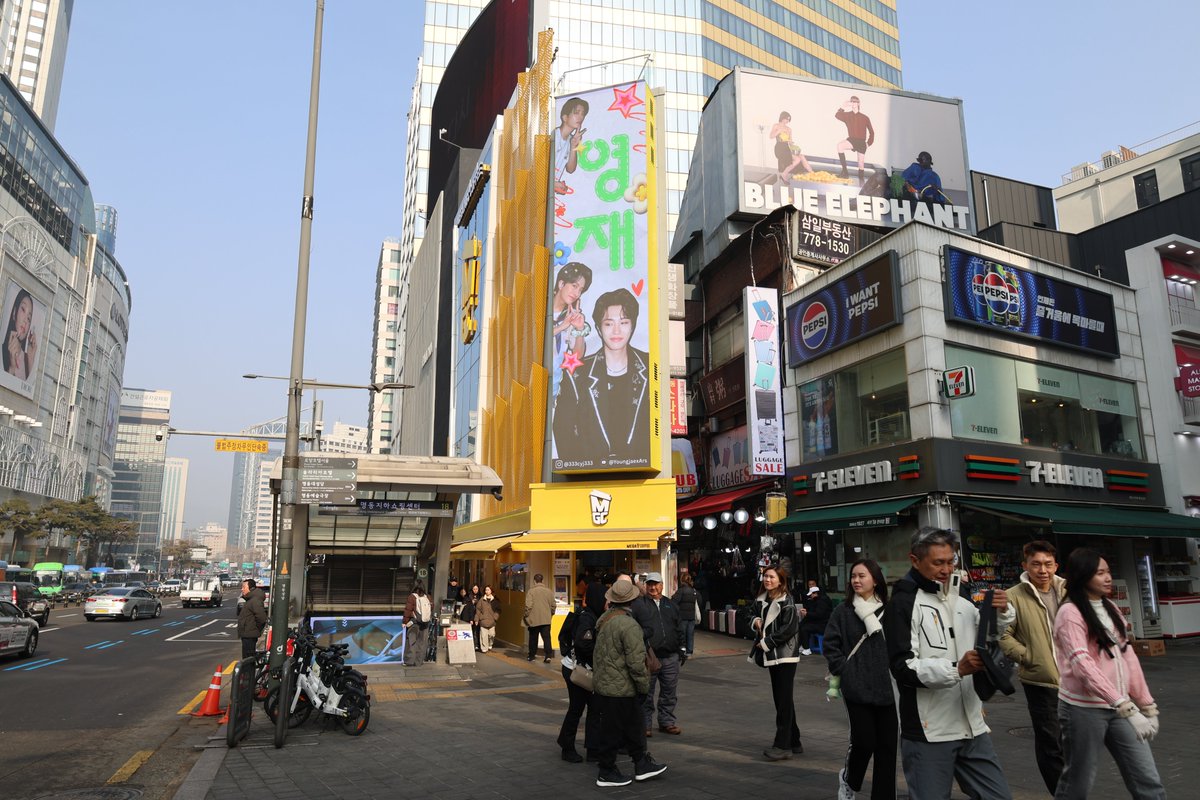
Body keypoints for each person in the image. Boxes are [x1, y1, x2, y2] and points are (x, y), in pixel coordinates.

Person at [885, 527, 1015, 800]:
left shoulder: (962, 597)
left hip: (973, 725)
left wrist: (1001, 612)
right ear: (915, 560)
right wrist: (956, 669)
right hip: (929, 731)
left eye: (950, 561)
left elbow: (988, 638)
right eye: (938, 563)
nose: (946, 569)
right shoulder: (903, 603)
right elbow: (902, 667)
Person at [1053, 548, 1164, 799]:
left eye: (1108, 572)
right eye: (1099, 573)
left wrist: (1147, 705)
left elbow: (1128, 657)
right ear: (1083, 576)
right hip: (1082, 709)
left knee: (1147, 779)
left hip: (1121, 708)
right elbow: (1083, 665)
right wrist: (1123, 704)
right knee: (1078, 783)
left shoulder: (1110, 607)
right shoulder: (1070, 613)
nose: (1107, 578)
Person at [999, 540, 1068, 794]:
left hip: (1074, 678)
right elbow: (1003, 635)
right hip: (1040, 680)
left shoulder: (1068, 591)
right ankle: (1062, 794)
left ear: (1056, 565)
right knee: (1051, 742)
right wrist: (1028, 657)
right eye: (1036, 564)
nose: (1042, 570)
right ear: (1025, 565)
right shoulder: (1013, 596)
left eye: (1048, 564)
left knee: (1074, 741)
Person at [553, 289, 651, 467]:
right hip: (588, 475)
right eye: (608, 324)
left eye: (624, 322)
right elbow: (562, 429)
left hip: (642, 472)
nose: (616, 330)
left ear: (633, 326)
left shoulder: (650, 366)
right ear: (599, 328)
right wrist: (580, 467)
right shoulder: (578, 374)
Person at [824, 559, 896, 800]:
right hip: (856, 687)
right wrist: (845, 671)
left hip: (888, 687)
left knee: (887, 748)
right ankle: (849, 780)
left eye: (861, 576)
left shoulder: (890, 610)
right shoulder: (843, 611)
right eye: (853, 576)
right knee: (864, 742)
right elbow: (831, 645)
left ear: (875, 580)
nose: (856, 580)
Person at [592, 576, 667, 787]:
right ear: (632, 601)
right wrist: (644, 686)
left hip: (606, 683)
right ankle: (606, 771)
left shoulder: (605, 619)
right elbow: (636, 662)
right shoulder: (629, 625)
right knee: (615, 731)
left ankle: (641, 763)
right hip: (621, 687)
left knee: (633, 726)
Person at [749, 564, 802, 762]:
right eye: (765, 576)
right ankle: (794, 741)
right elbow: (748, 613)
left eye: (772, 577)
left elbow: (789, 629)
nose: (767, 580)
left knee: (783, 699)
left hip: (785, 655)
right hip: (771, 654)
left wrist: (766, 643)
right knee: (782, 698)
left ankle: (783, 745)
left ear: (781, 581)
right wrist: (755, 620)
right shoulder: (762, 599)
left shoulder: (787, 601)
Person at [558, 581, 608, 763]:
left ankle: (593, 749)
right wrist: (602, 654)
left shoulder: (596, 616)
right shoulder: (588, 618)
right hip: (576, 670)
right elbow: (583, 644)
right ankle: (567, 747)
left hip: (586, 669)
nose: (607, 603)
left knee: (595, 709)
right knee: (577, 708)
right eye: (605, 599)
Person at [632, 572, 687, 737]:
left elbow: (679, 627)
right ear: (645, 585)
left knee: (669, 692)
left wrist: (682, 648)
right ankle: (645, 725)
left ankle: (667, 722)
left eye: (656, 584)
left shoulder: (671, 605)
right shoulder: (639, 605)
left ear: (662, 585)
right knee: (646, 693)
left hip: (670, 656)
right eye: (649, 584)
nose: (653, 587)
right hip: (649, 656)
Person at [550, 262, 593, 400]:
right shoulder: (541, 307)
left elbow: (577, 355)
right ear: (561, 284)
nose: (577, 293)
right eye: (574, 286)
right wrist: (562, 326)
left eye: (580, 289)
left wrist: (579, 329)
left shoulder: (571, 316)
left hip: (554, 391)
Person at [835, 95, 874, 181]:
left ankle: (861, 182)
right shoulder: (848, 115)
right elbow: (837, 115)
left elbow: (872, 132)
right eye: (852, 101)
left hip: (861, 142)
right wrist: (843, 106)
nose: (853, 103)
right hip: (852, 140)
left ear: (858, 103)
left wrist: (868, 143)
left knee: (861, 164)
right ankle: (845, 172)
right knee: (840, 146)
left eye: (855, 101)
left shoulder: (865, 117)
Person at [555, 96, 589, 194]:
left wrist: (574, 145)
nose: (580, 117)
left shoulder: (571, 140)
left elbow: (570, 169)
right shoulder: (553, 136)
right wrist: (553, 184)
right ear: (565, 117)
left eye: (583, 114)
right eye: (576, 112)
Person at [766, 111, 812, 183]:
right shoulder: (776, 125)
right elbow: (771, 136)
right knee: (797, 159)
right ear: (782, 117)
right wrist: (778, 131)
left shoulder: (789, 129)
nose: (787, 121)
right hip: (779, 148)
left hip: (787, 148)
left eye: (788, 119)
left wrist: (792, 144)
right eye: (786, 119)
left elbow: (790, 142)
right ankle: (784, 174)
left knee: (801, 156)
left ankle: (812, 173)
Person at [3, 288, 36, 380]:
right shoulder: (2, 350)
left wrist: (30, 361)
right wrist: (11, 368)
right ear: (14, 313)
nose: (25, 320)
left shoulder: (28, 360)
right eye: (23, 309)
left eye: (29, 318)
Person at [525, 573, 556, 662]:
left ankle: (532, 656)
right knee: (546, 638)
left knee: (533, 638)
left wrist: (527, 615)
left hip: (533, 619)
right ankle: (548, 655)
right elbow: (553, 605)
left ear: (534, 581)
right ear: (542, 580)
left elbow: (528, 606)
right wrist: (550, 614)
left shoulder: (531, 591)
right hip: (546, 619)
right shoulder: (549, 591)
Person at [237, 579, 267, 660]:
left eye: (244, 587)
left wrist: (255, 629)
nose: (242, 589)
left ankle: (249, 669)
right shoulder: (251, 599)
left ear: (251, 588)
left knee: (248, 659)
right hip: (248, 634)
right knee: (247, 658)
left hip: (249, 635)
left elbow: (262, 618)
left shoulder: (255, 600)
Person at [670, 572, 700, 656]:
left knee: (682, 634)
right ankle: (689, 652)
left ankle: (682, 650)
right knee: (690, 634)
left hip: (682, 617)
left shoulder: (681, 591)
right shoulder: (694, 591)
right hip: (692, 617)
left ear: (682, 580)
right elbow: (700, 601)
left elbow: (673, 602)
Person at [404, 581, 432, 667]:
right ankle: (419, 662)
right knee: (422, 643)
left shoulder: (412, 597)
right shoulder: (428, 597)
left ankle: (409, 661)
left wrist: (405, 622)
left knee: (411, 642)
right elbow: (431, 607)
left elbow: (408, 609)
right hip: (425, 623)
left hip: (414, 623)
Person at [799, 583, 832, 655]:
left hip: (823, 625)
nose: (810, 596)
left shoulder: (822, 601)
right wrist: (807, 612)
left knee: (804, 628)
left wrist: (807, 614)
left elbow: (819, 615)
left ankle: (807, 648)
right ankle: (803, 645)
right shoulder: (817, 600)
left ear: (815, 593)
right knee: (801, 624)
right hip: (818, 622)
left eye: (811, 594)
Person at [475, 585, 501, 653]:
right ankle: (484, 648)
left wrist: (495, 617)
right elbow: (478, 609)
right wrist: (477, 619)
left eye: (488, 590)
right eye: (486, 590)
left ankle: (490, 644)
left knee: (492, 634)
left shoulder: (495, 600)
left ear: (491, 591)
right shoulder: (482, 600)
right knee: (483, 636)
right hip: (483, 620)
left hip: (492, 621)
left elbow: (498, 610)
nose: (487, 591)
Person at [466, 583, 483, 651]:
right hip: (471, 615)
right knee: (472, 630)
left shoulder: (481, 597)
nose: (475, 590)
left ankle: (477, 644)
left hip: (478, 615)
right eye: (474, 589)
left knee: (478, 630)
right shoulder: (469, 596)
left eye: (476, 589)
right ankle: (472, 644)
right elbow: (467, 607)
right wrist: (471, 602)